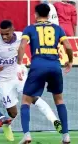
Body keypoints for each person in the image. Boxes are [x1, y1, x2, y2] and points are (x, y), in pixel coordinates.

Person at [0, 20, 62, 142]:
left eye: (7, 34)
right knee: (13, 113)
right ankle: (7, 125)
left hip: (19, 74)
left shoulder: (22, 36)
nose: (4, 37)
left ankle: (55, 120)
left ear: (13, 30)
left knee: (33, 97)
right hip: (3, 80)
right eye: (2, 34)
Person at [17, 3, 73, 144]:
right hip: (54, 65)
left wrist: (19, 65)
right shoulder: (57, 28)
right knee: (59, 100)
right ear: (49, 15)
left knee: (26, 100)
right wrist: (70, 61)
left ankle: (27, 135)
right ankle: (66, 135)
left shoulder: (30, 29)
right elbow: (67, 46)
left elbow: (22, 46)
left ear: (35, 14)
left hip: (38, 65)